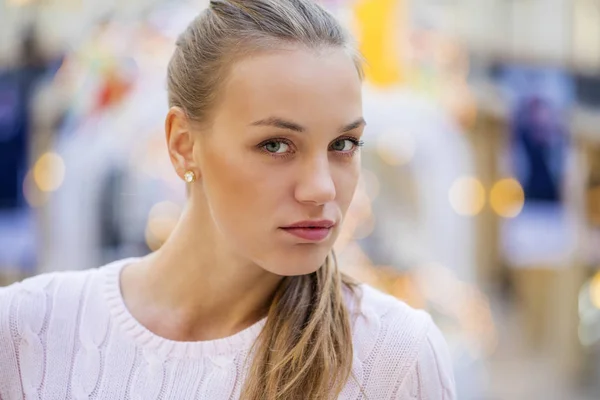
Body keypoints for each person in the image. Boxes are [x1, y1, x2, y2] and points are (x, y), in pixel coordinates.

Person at [0, 0, 456, 398]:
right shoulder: (27, 329)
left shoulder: (396, 357)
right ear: (182, 145)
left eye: (343, 144)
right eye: (276, 145)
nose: (321, 189)